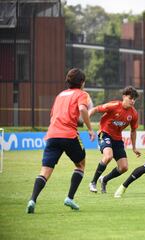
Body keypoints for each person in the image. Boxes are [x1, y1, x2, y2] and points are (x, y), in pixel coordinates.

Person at [26, 68, 96, 214]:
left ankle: (32, 199)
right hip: (69, 135)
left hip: (52, 134)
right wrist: (89, 128)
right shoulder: (81, 94)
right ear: (82, 82)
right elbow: (83, 110)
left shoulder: (60, 95)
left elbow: (53, 115)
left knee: (45, 170)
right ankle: (69, 198)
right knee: (81, 164)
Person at [88, 86, 141, 194]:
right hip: (105, 133)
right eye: (130, 98)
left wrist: (134, 147)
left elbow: (133, 131)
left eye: (134, 99)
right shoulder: (114, 106)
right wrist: (85, 119)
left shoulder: (133, 114)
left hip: (117, 138)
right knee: (108, 156)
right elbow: (95, 109)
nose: (132, 101)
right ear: (124, 96)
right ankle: (93, 182)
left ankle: (104, 179)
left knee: (124, 167)